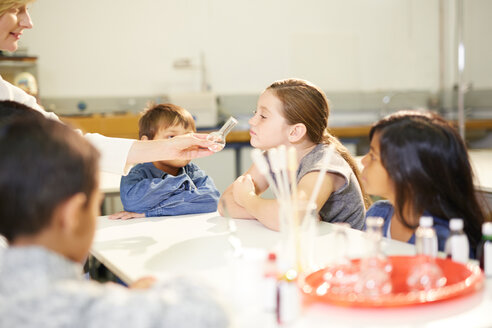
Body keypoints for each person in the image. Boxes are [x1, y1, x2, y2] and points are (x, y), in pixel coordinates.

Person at [0, 114, 229, 327]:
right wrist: (138, 298)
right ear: (72, 215)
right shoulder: (96, 311)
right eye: (94, 203)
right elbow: (208, 312)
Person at [0, 1, 217, 175]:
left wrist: (169, 147)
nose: (28, 22)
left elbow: (64, 143)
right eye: (17, 10)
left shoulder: (7, 94)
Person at [219, 78, 369, 231]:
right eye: (255, 112)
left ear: (295, 131)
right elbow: (225, 204)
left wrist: (247, 198)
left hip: (347, 251)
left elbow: (289, 218)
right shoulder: (273, 155)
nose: (252, 121)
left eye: (263, 116)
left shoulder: (324, 164)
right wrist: (272, 213)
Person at [361, 110, 486, 256]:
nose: (364, 161)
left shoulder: (440, 239)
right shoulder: (377, 214)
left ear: (409, 171)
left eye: (373, 156)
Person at [110, 103, 220, 219]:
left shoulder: (192, 171)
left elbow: (211, 200)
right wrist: (183, 186)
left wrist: (150, 212)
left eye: (188, 137)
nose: (183, 144)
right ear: (147, 142)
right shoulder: (136, 174)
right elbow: (133, 204)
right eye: (171, 137)